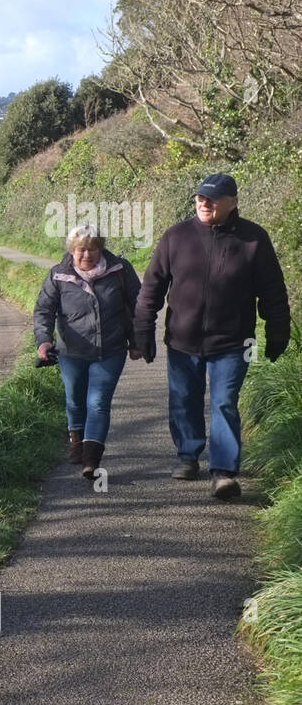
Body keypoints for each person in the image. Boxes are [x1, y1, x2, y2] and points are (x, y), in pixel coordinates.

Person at [132, 173, 291, 500]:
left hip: (235, 342)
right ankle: (188, 455)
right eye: (200, 198)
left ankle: (224, 472)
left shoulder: (253, 239)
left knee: (223, 402)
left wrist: (278, 331)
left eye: (213, 198)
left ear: (233, 202)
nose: (204, 203)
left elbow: (273, 291)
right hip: (181, 339)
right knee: (184, 399)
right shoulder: (176, 237)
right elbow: (151, 289)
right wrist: (142, 330)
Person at [35, 223, 143, 479]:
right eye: (81, 250)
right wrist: (43, 341)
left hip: (111, 349)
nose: (87, 255)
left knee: (98, 402)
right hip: (71, 351)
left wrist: (137, 341)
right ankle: (77, 441)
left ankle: (91, 459)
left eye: (93, 249)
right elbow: (43, 311)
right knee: (75, 399)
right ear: (72, 251)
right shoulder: (58, 275)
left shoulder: (120, 269)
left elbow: (138, 306)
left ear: (101, 249)